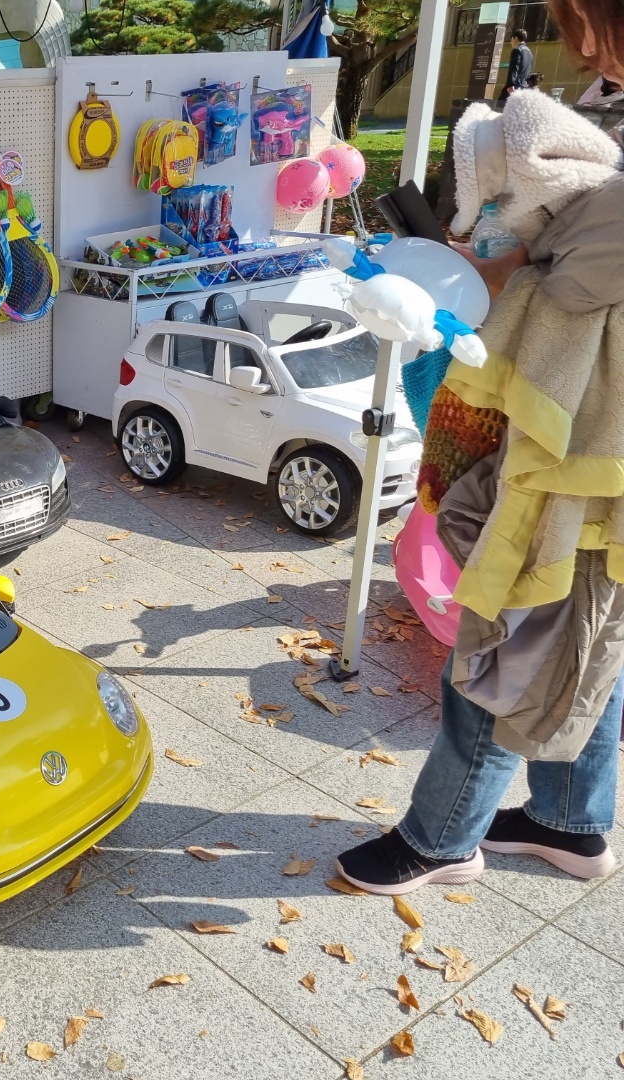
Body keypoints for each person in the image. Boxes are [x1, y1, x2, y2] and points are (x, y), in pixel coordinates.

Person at [336, 21, 624, 894]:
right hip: (589, 455)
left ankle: (442, 838)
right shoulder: (607, 125)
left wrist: (490, 274)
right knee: (585, 638)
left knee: (506, 633)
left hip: (575, 458)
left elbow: (573, 284)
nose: (582, 50)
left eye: (584, 24)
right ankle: (570, 821)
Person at [499, 29, 534, 100]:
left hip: (514, 87)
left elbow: (514, 69)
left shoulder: (517, 50)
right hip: (524, 87)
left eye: (511, 39)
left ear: (515, 38)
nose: (511, 42)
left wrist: (511, 85)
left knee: (501, 104)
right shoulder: (529, 52)